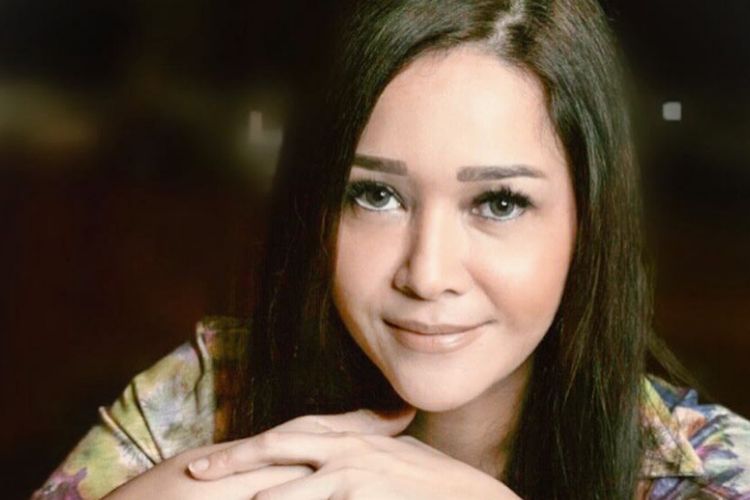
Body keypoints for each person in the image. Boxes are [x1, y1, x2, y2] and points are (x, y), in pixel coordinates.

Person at [34, 0, 750, 498]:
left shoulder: (708, 474)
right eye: (376, 195)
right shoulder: (208, 398)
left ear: (588, 225)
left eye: (499, 203)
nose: (427, 274)